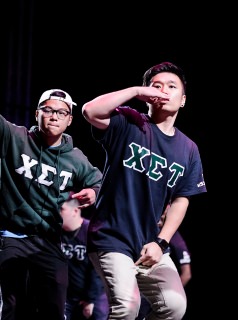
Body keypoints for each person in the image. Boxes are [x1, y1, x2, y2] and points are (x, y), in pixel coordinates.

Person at [82, 61, 207, 320]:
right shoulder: (130, 121)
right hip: (111, 237)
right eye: (155, 86)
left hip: (150, 243)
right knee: (127, 307)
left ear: (182, 100)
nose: (163, 90)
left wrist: (161, 242)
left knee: (174, 306)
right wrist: (134, 91)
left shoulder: (189, 149)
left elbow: (182, 199)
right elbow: (90, 110)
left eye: (172, 86)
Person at [0, 89, 102, 320]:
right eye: (48, 110)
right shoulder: (15, 137)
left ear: (69, 120)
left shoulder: (75, 158)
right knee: (14, 303)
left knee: (55, 303)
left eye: (61, 112)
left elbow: (98, 182)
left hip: (48, 240)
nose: (54, 116)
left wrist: (94, 192)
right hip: (11, 234)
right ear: (37, 113)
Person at [60, 195, 109, 320]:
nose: (57, 213)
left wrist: (90, 299)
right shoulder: (56, 234)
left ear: (75, 211)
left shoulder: (91, 231)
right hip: (67, 296)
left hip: (94, 293)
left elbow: (97, 269)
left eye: (62, 209)